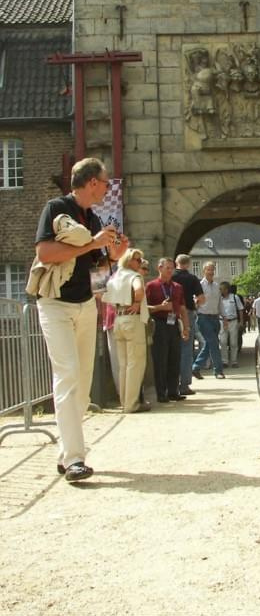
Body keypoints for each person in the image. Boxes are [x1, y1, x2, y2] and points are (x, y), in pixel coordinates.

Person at [33, 157, 129, 483]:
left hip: (86, 306)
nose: (106, 187)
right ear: (91, 183)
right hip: (55, 305)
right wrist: (92, 243)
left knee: (82, 387)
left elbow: (98, 267)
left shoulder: (95, 217)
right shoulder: (56, 208)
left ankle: (66, 454)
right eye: (104, 181)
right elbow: (46, 254)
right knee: (68, 376)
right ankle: (75, 459)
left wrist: (112, 255)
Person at [101, 248, 150, 413]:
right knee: (135, 363)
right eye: (137, 259)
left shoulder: (115, 277)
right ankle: (132, 404)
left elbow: (101, 295)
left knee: (123, 365)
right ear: (129, 261)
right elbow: (139, 290)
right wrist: (136, 302)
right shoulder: (134, 276)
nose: (140, 262)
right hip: (132, 318)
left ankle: (124, 402)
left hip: (118, 318)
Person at [145, 257, 190, 401]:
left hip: (173, 324)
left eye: (172, 268)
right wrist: (160, 307)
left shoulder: (177, 287)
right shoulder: (151, 286)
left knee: (174, 358)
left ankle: (173, 391)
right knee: (160, 359)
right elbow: (144, 309)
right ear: (160, 268)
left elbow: (183, 309)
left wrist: (186, 327)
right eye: (167, 268)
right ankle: (161, 393)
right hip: (159, 323)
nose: (170, 271)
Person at [172, 253, 205, 395]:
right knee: (186, 350)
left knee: (172, 348)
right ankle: (184, 385)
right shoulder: (192, 279)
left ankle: (171, 384)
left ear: (175, 263)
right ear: (189, 264)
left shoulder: (171, 277)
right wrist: (195, 305)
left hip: (171, 313)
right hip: (189, 313)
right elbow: (202, 298)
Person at [192, 261, 226, 380]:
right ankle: (218, 371)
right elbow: (194, 301)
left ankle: (195, 368)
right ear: (204, 271)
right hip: (203, 318)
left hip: (215, 318)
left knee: (209, 344)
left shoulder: (217, 286)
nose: (211, 272)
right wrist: (195, 304)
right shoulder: (199, 285)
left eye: (212, 269)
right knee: (214, 343)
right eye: (208, 270)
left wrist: (224, 317)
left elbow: (220, 303)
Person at [218, 281, 244, 368]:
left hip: (233, 321)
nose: (220, 291)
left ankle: (234, 361)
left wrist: (241, 321)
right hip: (222, 322)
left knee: (233, 342)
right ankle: (224, 361)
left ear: (226, 289)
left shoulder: (234, 297)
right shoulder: (219, 298)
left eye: (221, 289)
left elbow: (240, 309)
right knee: (223, 342)